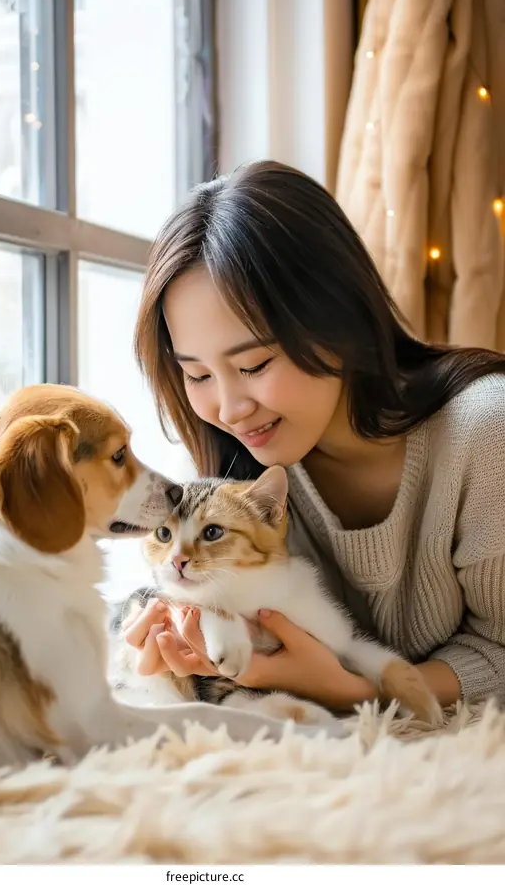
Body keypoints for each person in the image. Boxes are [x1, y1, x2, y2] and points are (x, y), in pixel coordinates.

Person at [123, 159, 505, 713]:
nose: (229, 409)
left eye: (254, 364)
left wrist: (358, 692)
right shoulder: (222, 471)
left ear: (339, 321)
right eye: (198, 375)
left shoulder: (485, 434)